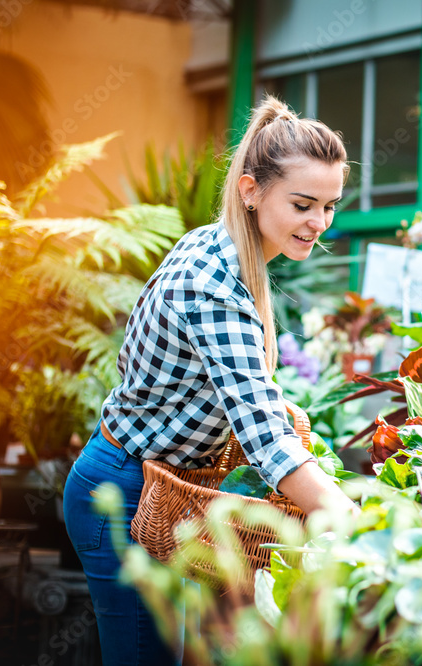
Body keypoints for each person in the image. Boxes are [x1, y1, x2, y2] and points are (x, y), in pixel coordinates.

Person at [63, 94, 357, 665]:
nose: (318, 223)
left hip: (158, 485)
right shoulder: (213, 285)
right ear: (251, 190)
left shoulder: (224, 246)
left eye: (329, 206)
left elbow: (234, 389)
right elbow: (268, 439)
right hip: (121, 494)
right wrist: (355, 521)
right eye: (303, 204)